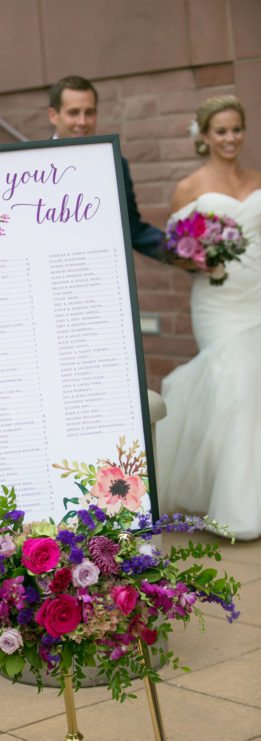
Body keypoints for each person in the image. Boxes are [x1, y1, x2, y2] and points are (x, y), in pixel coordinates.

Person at [157, 94, 261, 540]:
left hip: (258, 290)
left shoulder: (258, 178)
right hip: (219, 303)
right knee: (236, 390)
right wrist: (198, 258)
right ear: (204, 135)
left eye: (236, 128)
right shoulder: (190, 187)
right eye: (221, 130)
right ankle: (239, 511)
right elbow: (174, 251)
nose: (231, 137)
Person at [47, 75, 166, 261]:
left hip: (103, 275)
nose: (82, 122)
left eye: (89, 113)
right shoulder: (33, 166)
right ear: (53, 116)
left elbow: (133, 229)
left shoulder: (115, 163)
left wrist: (183, 251)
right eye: (73, 113)